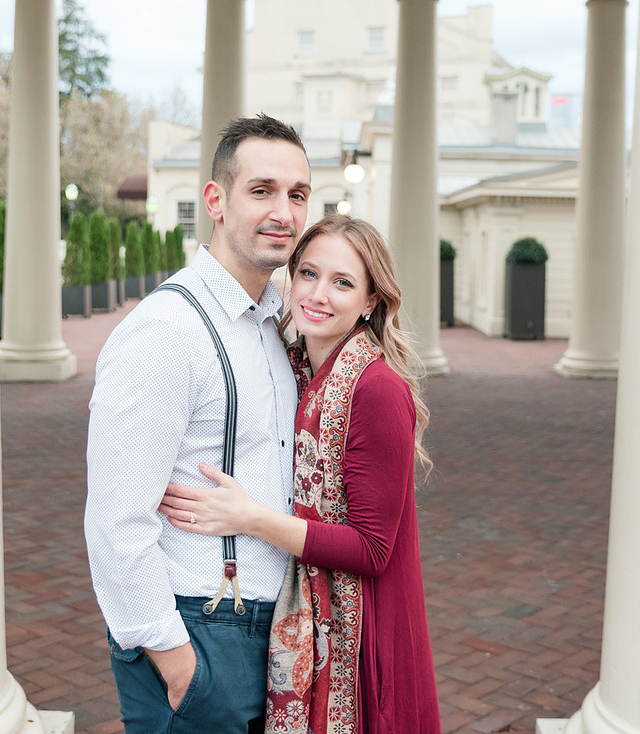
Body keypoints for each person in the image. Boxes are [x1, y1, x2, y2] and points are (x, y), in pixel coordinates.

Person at [158, 214, 443, 734]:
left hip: (363, 632)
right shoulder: (293, 368)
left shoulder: (376, 389)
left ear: (371, 301)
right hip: (303, 615)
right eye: (308, 273)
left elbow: (372, 550)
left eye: (343, 282)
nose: (318, 294)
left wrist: (248, 517)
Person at [85, 114, 311, 734]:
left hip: (269, 630)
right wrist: (179, 663)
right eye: (261, 190)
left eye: (297, 194)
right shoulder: (164, 332)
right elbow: (116, 521)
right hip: (197, 629)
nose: (284, 213)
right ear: (215, 200)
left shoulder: (274, 324)